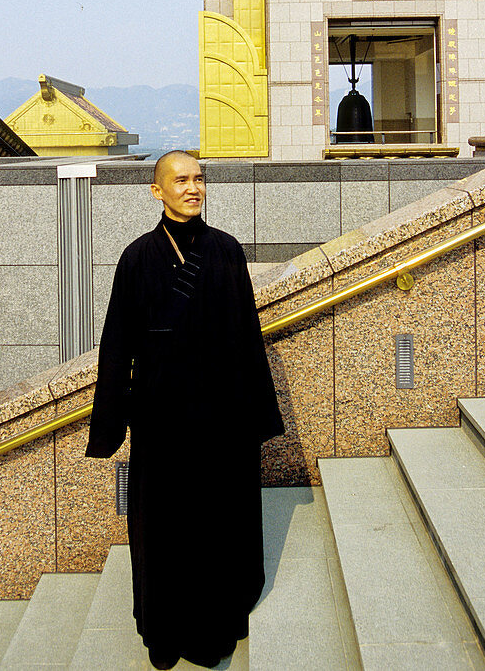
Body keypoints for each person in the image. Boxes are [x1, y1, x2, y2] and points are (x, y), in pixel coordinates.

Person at [85, 150, 284, 670]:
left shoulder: (226, 251)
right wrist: (110, 424)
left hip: (221, 418)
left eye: (199, 178)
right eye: (181, 180)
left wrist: (257, 417)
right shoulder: (137, 258)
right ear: (158, 191)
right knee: (162, 526)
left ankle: (213, 630)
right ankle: (163, 632)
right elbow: (116, 345)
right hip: (161, 418)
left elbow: (246, 338)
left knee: (219, 524)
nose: (193, 188)